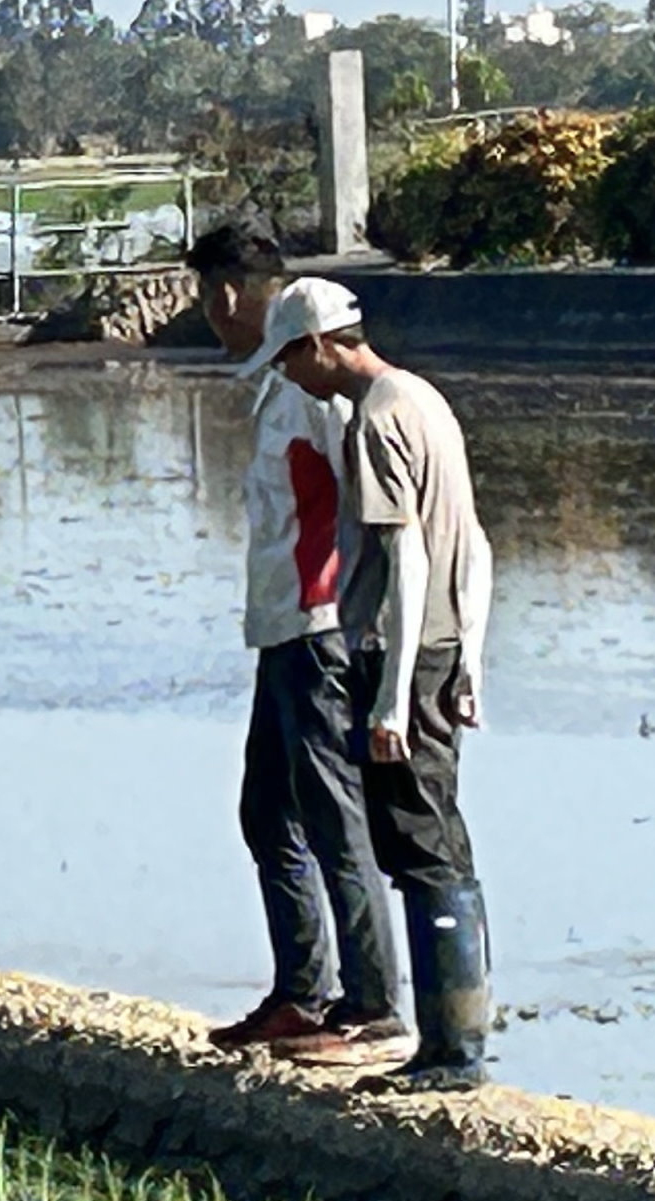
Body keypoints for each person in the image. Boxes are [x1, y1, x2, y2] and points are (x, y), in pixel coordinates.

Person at [243, 277, 493, 1091]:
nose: (290, 378)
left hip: (402, 654)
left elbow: (408, 552)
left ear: (319, 345)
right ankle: (447, 1043)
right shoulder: (427, 399)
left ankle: (449, 1052)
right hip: (444, 645)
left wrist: (389, 694)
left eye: (291, 360)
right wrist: (472, 657)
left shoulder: (380, 416)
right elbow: (478, 544)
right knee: (436, 841)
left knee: (419, 849)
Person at [184, 225, 407, 1062]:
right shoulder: (282, 381)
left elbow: (366, 507)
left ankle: (373, 1006)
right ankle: (301, 993)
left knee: (329, 817)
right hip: (283, 631)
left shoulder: (314, 387)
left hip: (317, 635)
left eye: (208, 298)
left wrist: (360, 622)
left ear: (226, 296)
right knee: (267, 811)